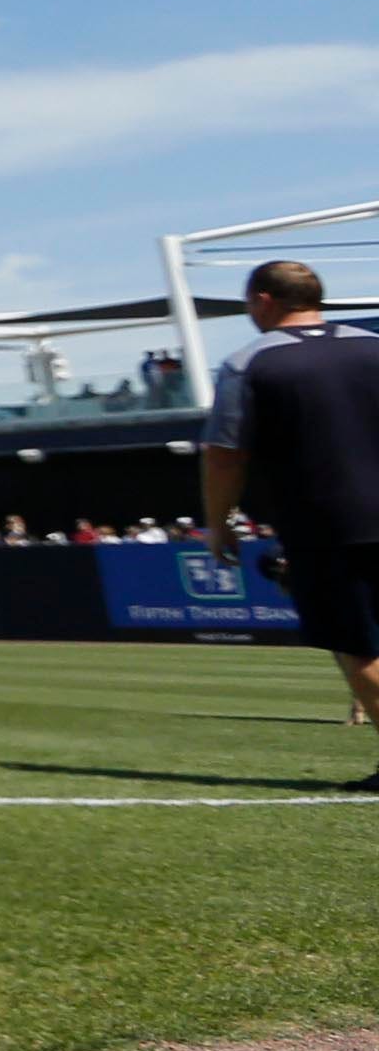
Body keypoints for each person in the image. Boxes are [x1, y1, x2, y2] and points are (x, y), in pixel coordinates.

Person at [196, 259, 379, 762]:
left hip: (329, 524)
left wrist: (219, 524)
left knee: (358, 644)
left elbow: (223, 455)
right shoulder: (373, 343)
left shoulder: (249, 362)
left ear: (264, 300)